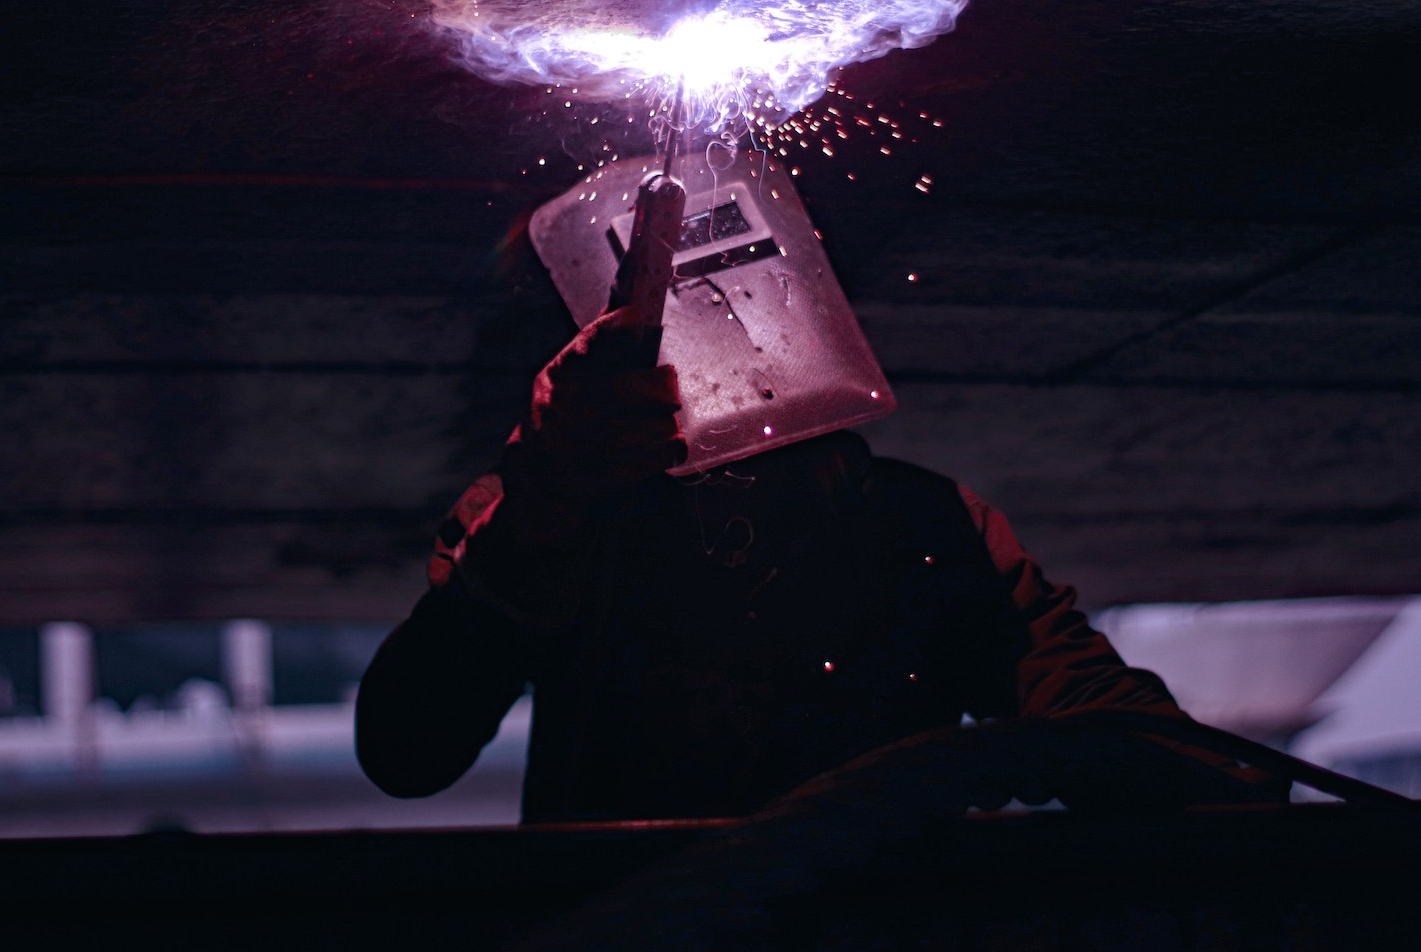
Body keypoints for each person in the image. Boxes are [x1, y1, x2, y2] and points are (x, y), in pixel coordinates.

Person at [355, 306, 1272, 822]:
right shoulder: (541, 520)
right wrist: (545, 505)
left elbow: (1121, 732)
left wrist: (998, 764)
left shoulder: (925, 523)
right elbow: (406, 750)